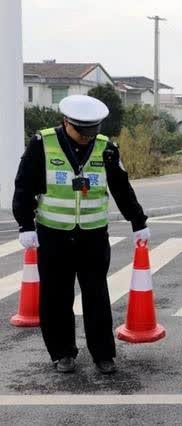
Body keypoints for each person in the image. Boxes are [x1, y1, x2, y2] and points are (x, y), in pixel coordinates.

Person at [13, 95, 149, 375]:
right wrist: (25, 224)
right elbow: (24, 185)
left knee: (97, 295)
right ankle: (62, 353)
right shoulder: (43, 144)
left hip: (93, 236)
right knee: (55, 296)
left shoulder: (105, 148)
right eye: (81, 132)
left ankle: (103, 354)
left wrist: (138, 220)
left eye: (92, 131)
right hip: (54, 235)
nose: (87, 138)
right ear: (66, 122)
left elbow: (121, 188)